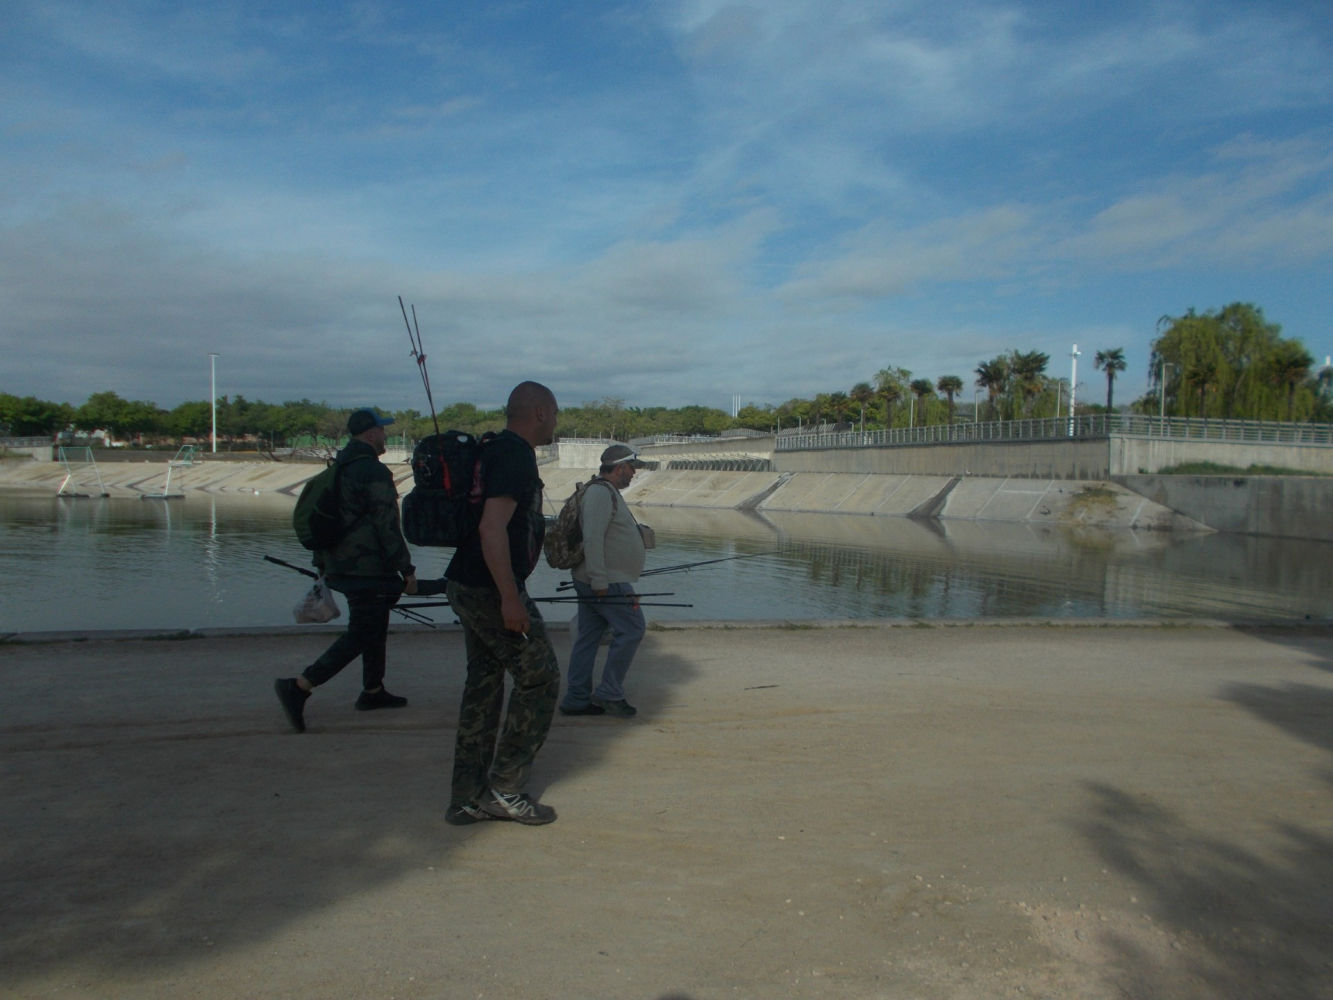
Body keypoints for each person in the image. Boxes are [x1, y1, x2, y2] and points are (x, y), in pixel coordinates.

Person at [443, 381, 562, 826]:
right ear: (538, 413)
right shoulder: (514, 453)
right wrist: (510, 599)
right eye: (554, 413)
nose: (555, 421)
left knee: (485, 684)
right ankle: (506, 789)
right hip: (490, 588)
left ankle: (467, 796)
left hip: (467, 581)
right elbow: (492, 529)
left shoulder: (491, 449)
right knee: (541, 677)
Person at [274, 408, 417, 733]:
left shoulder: (340, 467)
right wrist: (406, 568)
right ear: (370, 435)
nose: (385, 435)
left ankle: (373, 691)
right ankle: (300, 685)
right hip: (366, 567)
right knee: (363, 631)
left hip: (340, 564)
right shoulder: (371, 471)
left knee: (374, 623)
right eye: (382, 431)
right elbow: (387, 525)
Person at [559, 444, 654, 718]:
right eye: (632, 468)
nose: (634, 473)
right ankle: (610, 693)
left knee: (588, 637)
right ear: (620, 467)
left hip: (598, 579)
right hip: (604, 581)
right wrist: (599, 580)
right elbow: (592, 538)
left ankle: (576, 698)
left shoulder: (606, 492)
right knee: (633, 628)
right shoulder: (600, 493)